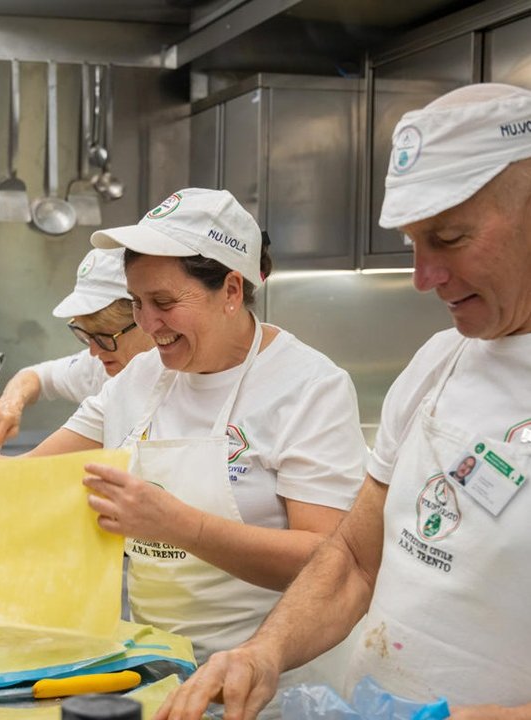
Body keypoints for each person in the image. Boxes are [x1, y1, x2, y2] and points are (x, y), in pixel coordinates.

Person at [0, 187, 368, 718]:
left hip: (269, 689)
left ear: (231, 289)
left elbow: (328, 561)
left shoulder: (308, 388)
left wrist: (178, 525)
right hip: (155, 672)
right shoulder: (142, 376)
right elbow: (17, 480)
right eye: (136, 302)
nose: (149, 325)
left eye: (164, 302)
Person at [155, 83, 531, 720]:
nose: (422, 277)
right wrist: (264, 652)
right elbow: (356, 558)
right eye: (414, 242)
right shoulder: (439, 362)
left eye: (449, 236)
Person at [0, 248, 154, 453]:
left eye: (104, 337)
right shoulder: (98, 368)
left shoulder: (175, 381)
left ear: (144, 320)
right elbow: (38, 377)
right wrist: (10, 404)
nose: (94, 352)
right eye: (86, 336)